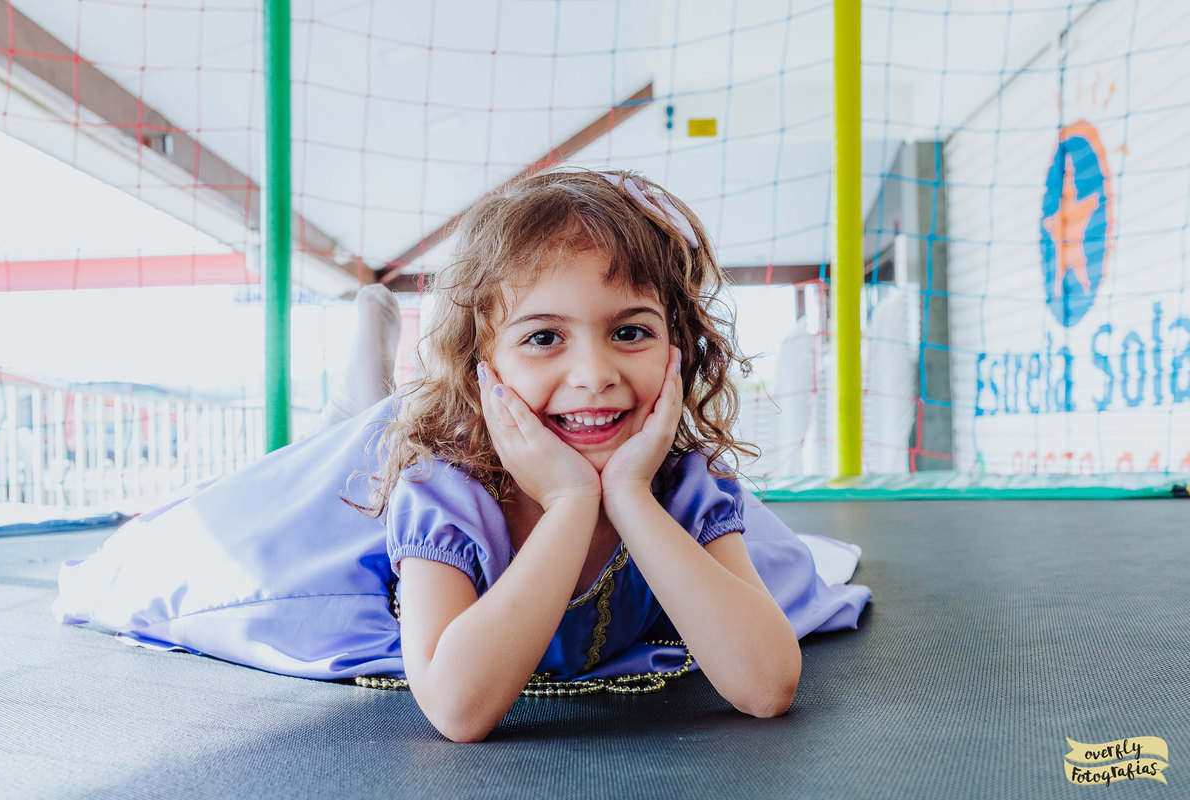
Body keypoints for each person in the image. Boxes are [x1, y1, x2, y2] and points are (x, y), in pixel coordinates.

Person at [54, 168, 870, 743]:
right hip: (383, 473)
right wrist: (569, 506)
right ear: (482, 359)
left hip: (554, 447)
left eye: (631, 331)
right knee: (326, 460)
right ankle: (358, 401)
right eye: (544, 337)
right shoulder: (445, 492)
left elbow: (767, 686)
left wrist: (627, 495)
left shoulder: (681, 485)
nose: (595, 373)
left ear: (677, 350)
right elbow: (456, 708)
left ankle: (368, 400)